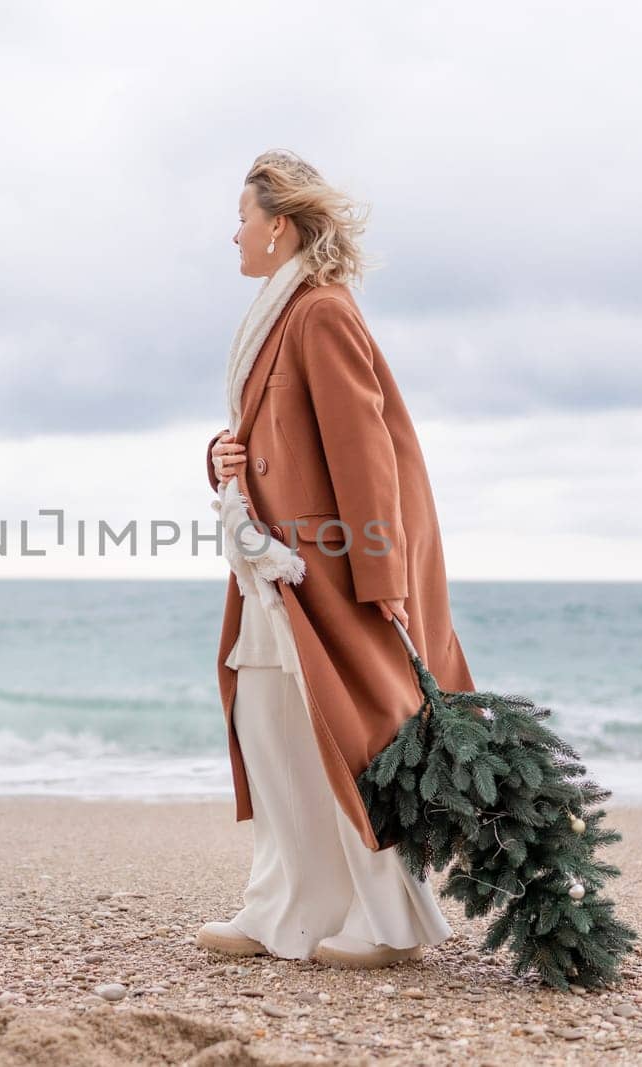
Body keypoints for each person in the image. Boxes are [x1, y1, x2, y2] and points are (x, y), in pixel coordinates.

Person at [194, 149, 478, 969]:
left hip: (325, 570)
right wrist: (221, 454)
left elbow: (367, 453)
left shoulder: (321, 313)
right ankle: (285, 909)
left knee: (349, 737)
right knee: (269, 722)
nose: (234, 234)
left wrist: (382, 576)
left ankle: (391, 923)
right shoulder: (277, 318)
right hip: (272, 567)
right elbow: (269, 441)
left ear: (277, 226)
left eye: (242, 218)